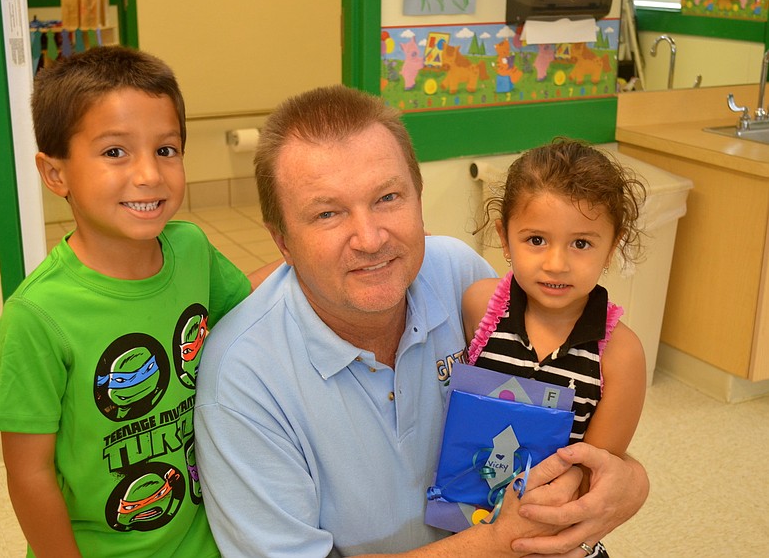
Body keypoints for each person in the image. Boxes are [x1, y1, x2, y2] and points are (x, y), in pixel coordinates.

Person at [194, 85, 650, 558]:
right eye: (327, 213)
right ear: (283, 242)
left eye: (387, 197)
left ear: (419, 199)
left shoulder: (460, 277)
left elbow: (557, 422)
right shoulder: (242, 380)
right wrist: (496, 542)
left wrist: (631, 481)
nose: (370, 239)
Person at [0, 45, 256, 557]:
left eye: (166, 150)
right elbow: (29, 474)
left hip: (208, 538)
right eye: (115, 152)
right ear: (55, 173)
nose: (150, 175)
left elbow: (247, 309)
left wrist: (309, 267)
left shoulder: (191, 248)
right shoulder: (37, 317)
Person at [463, 139, 648, 557]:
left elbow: (592, 477)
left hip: (555, 539)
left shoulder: (620, 355)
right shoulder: (480, 306)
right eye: (536, 240)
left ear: (612, 245)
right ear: (504, 238)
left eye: (581, 243)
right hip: (467, 525)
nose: (556, 264)